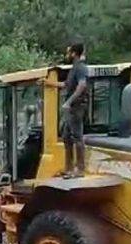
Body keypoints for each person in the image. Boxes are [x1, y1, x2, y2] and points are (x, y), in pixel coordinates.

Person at [47, 42, 89, 178]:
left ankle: (80, 169)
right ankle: (69, 167)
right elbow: (66, 84)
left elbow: (82, 85)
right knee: (66, 136)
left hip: (77, 106)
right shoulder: (74, 68)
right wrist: (49, 84)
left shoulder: (81, 68)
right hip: (71, 107)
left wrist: (69, 102)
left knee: (77, 136)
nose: (67, 55)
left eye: (68, 52)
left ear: (74, 53)